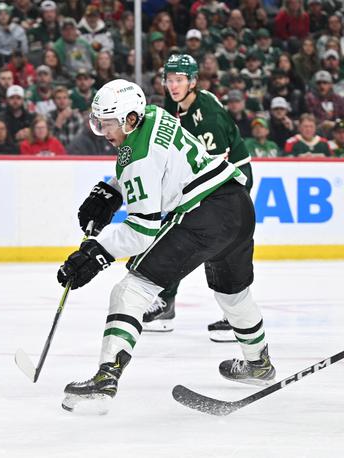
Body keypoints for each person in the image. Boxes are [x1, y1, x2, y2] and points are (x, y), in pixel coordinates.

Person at [58, 79, 275, 414]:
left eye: (108, 123)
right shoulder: (155, 114)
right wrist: (112, 189)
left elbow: (142, 230)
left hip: (204, 216)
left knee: (132, 290)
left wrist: (96, 252)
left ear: (131, 119)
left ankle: (105, 378)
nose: (102, 130)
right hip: (237, 205)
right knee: (232, 294)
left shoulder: (135, 157)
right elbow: (159, 164)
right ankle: (258, 362)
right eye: (98, 122)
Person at [155, 54, 253, 341]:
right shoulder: (174, 102)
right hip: (205, 174)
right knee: (182, 235)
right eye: (169, 80)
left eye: (179, 80)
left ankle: (235, 316)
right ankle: (166, 303)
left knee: (219, 243)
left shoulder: (206, 114)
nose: (173, 86)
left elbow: (215, 164)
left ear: (193, 82)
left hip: (229, 178)